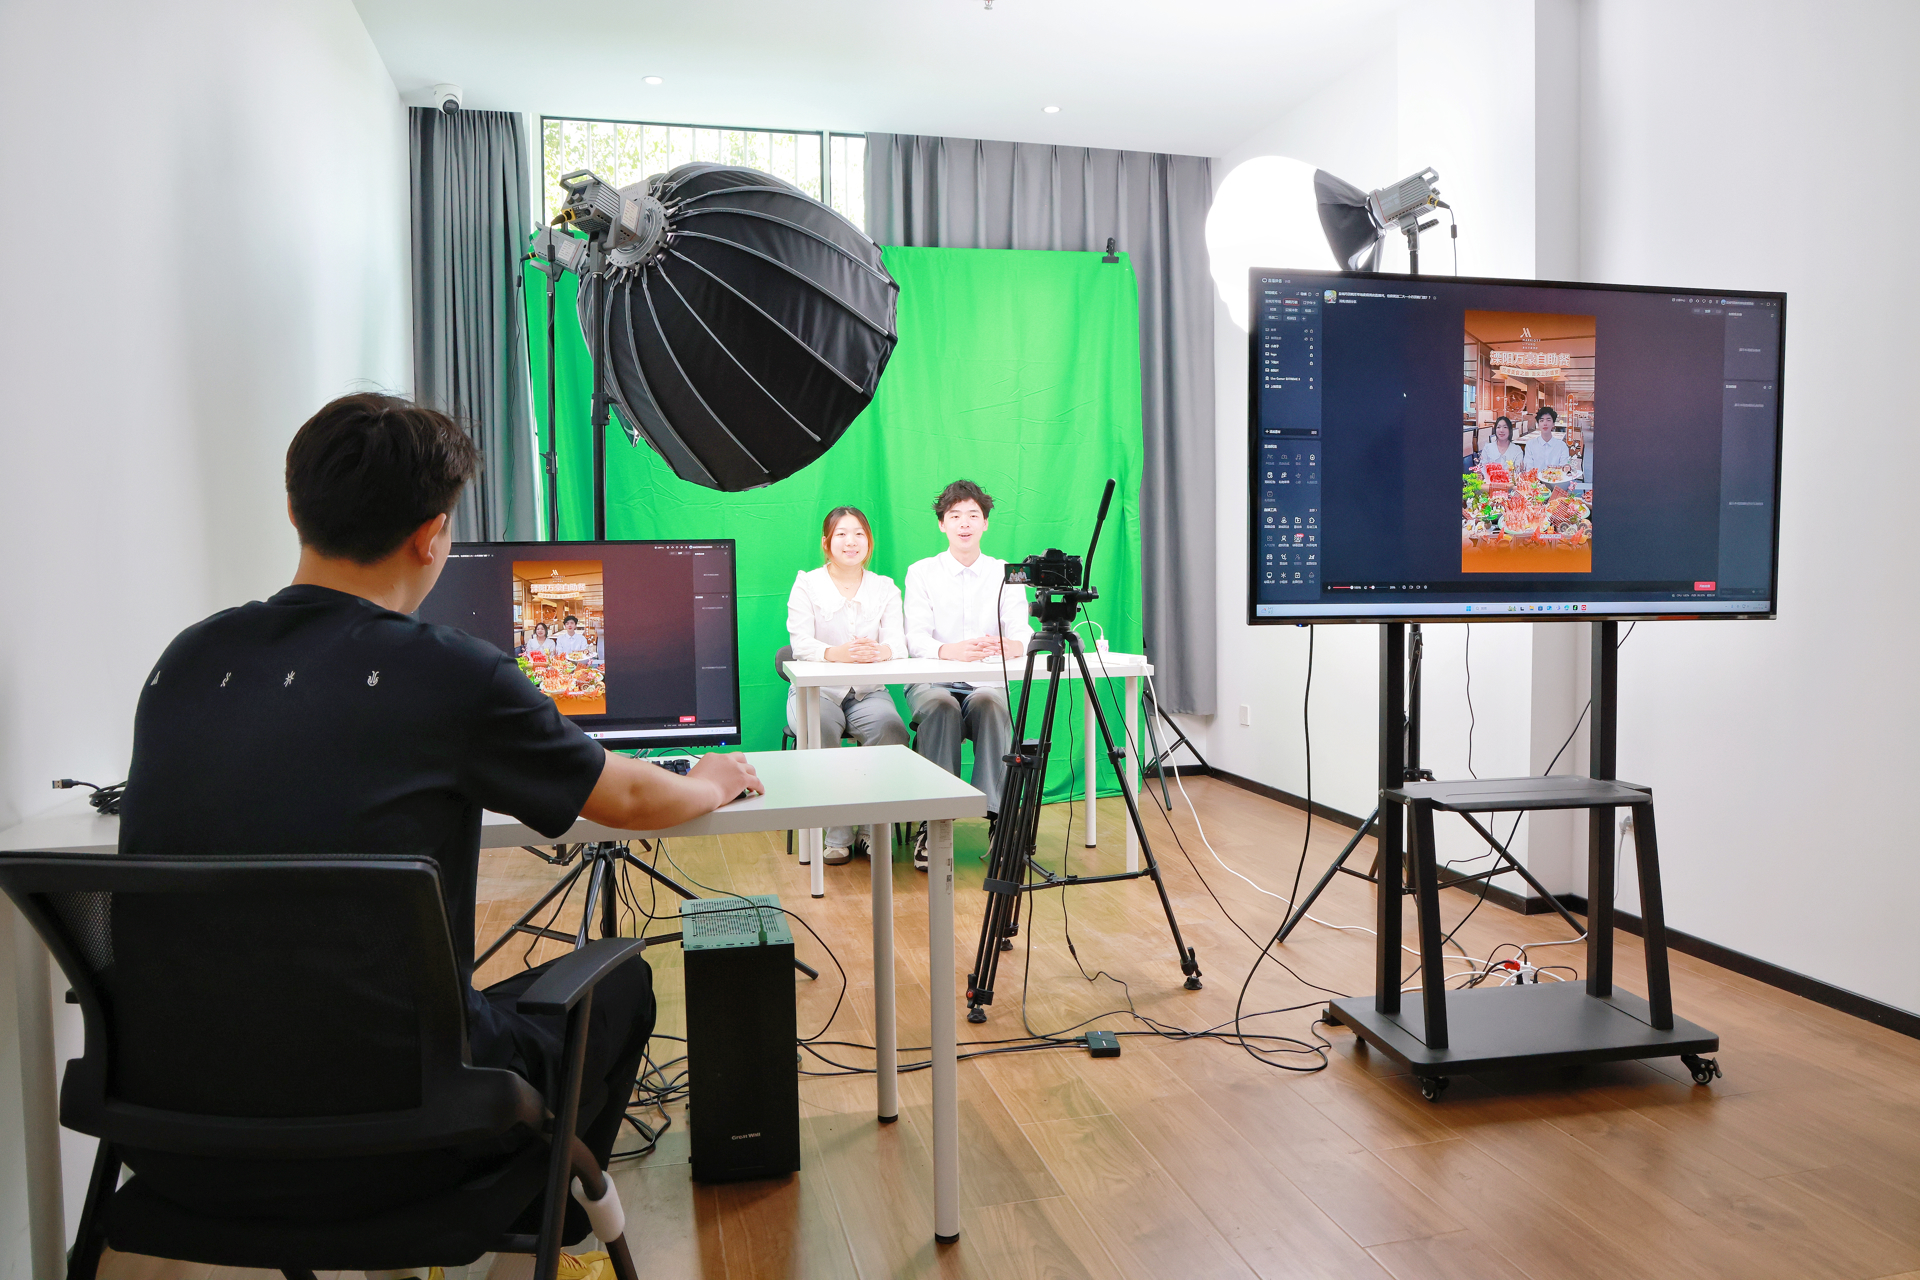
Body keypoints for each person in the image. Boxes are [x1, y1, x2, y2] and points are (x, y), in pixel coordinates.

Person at [117, 392, 760, 1220]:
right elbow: (629, 796)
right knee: (622, 983)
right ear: (431, 536)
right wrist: (712, 780)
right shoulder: (453, 673)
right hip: (404, 1139)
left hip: (175, 1139)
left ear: (295, 511)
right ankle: (546, 1223)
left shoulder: (185, 659)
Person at [903, 480, 1031, 871]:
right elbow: (914, 638)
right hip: (933, 682)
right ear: (942, 523)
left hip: (985, 682)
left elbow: (1023, 632)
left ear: (985, 523)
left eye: (973, 515)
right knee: (941, 707)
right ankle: (934, 821)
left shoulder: (1008, 573)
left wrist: (1014, 644)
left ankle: (998, 818)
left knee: (991, 703)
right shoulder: (920, 572)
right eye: (955, 515)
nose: (964, 523)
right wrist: (949, 651)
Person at [786, 505, 911, 866]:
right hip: (817, 693)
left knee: (891, 729)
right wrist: (835, 653)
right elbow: (800, 644)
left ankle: (872, 830)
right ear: (826, 543)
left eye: (858, 534)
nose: (850, 541)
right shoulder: (807, 583)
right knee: (820, 726)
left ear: (868, 542)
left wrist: (880, 650)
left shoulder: (885, 587)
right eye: (841, 534)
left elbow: (899, 643)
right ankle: (837, 832)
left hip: (867, 692)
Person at [1525, 406, 1572, 471]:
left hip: (1556, 477)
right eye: (1542, 420)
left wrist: (1567, 467)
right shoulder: (1530, 445)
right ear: (1538, 424)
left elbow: (1564, 467)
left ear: (1553, 424)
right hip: (1535, 477)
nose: (1545, 423)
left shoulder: (1562, 446)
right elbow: (1528, 468)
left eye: (1548, 420)